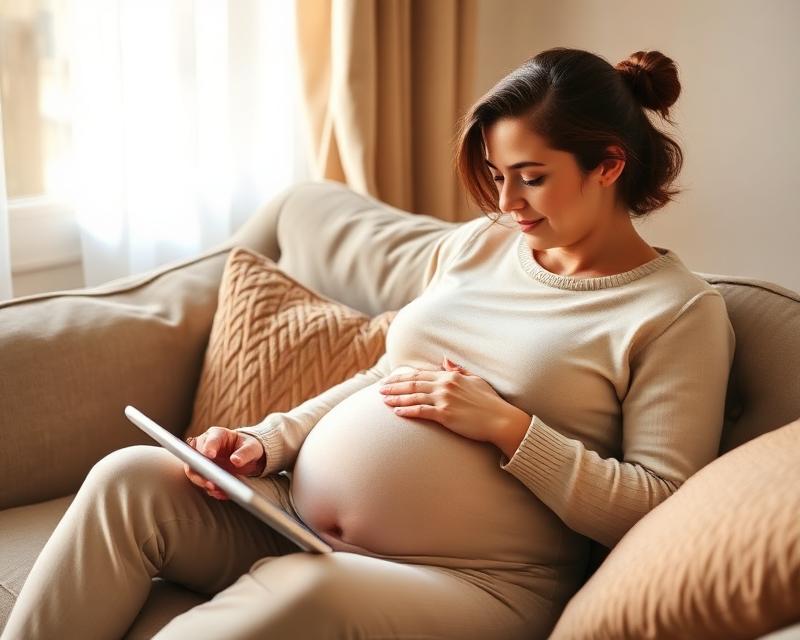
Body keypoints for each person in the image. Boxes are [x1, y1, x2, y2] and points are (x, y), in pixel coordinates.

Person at [2, 47, 735, 640]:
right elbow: (392, 373)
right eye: (496, 176)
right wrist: (268, 442)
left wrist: (510, 428)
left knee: (303, 595)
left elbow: (661, 504)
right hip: (295, 520)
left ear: (608, 165)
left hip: (479, 584)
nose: (507, 204)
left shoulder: (676, 315)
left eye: (532, 180)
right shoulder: (482, 246)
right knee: (129, 477)